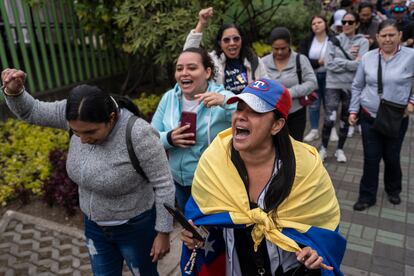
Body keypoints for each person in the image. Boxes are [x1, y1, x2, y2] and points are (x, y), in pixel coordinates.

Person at [1, 69, 175, 275]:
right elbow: (31, 111)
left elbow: (164, 183)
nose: (82, 139)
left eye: (90, 132)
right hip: (95, 229)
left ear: (111, 118)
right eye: (75, 132)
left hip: (135, 229)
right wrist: (15, 92)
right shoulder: (75, 112)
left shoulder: (139, 134)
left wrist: (163, 232)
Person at [180, 79, 346, 275]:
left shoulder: (308, 170)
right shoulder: (214, 161)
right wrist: (197, 237)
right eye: (239, 108)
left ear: (277, 125)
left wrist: (312, 252)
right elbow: (205, 219)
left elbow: (323, 233)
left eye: (255, 112)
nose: (241, 117)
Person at [151, 47, 235, 211]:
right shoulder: (169, 97)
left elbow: (250, 114)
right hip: (178, 181)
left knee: (212, 231)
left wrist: (224, 100)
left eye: (192, 68)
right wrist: (169, 138)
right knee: (191, 229)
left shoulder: (221, 97)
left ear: (207, 72)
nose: (184, 73)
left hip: (211, 183)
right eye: (179, 68)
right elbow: (149, 137)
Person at [349, 19, 414, 211]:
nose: (387, 39)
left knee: (392, 156)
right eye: (383, 35)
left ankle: (393, 189)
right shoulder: (368, 58)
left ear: (400, 36)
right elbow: (357, 86)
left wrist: (412, 103)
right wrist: (353, 110)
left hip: (397, 117)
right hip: (370, 116)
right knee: (371, 157)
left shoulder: (411, 56)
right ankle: (367, 196)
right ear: (377, 37)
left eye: (391, 35)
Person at [319, 12, 369, 163]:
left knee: (345, 119)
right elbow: (329, 64)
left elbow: (363, 64)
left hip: (351, 86)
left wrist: (339, 61)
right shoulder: (333, 40)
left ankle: (339, 149)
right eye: (344, 22)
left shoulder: (363, 41)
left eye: (350, 22)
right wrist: (352, 62)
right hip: (332, 85)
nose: (346, 25)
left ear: (357, 24)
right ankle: (323, 148)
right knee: (329, 119)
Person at [183, 7, 268, 94]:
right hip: (219, 106)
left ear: (242, 40)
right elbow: (188, 55)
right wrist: (201, 24)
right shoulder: (212, 61)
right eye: (226, 40)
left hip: (248, 107)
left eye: (236, 39)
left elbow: (267, 88)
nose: (232, 43)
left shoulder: (254, 61)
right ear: (220, 43)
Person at [262, 27, 318, 141]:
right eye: (275, 48)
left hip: (296, 112)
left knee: (295, 147)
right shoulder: (263, 62)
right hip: (271, 114)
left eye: (283, 48)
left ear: (290, 45)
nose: (279, 52)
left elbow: (312, 82)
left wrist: (289, 92)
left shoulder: (300, 60)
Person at [300, 15, 337, 142]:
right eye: (313, 23)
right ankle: (314, 130)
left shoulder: (333, 39)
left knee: (329, 104)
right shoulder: (307, 40)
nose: (316, 25)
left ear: (325, 24)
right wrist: (319, 62)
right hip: (313, 76)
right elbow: (303, 59)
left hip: (330, 76)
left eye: (319, 22)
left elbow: (337, 57)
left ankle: (331, 128)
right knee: (314, 104)